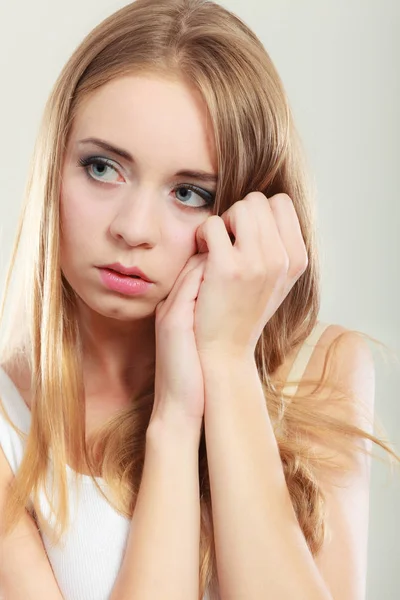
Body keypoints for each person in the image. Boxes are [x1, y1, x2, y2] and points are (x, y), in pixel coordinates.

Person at [0, 0, 398, 598]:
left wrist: (227, 363)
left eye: (189, 192)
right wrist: (175, 420)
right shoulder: (9, 420)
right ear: (54, 165)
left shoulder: (323, 369)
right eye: (103, 167)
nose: (133, 229)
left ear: (248, 210)